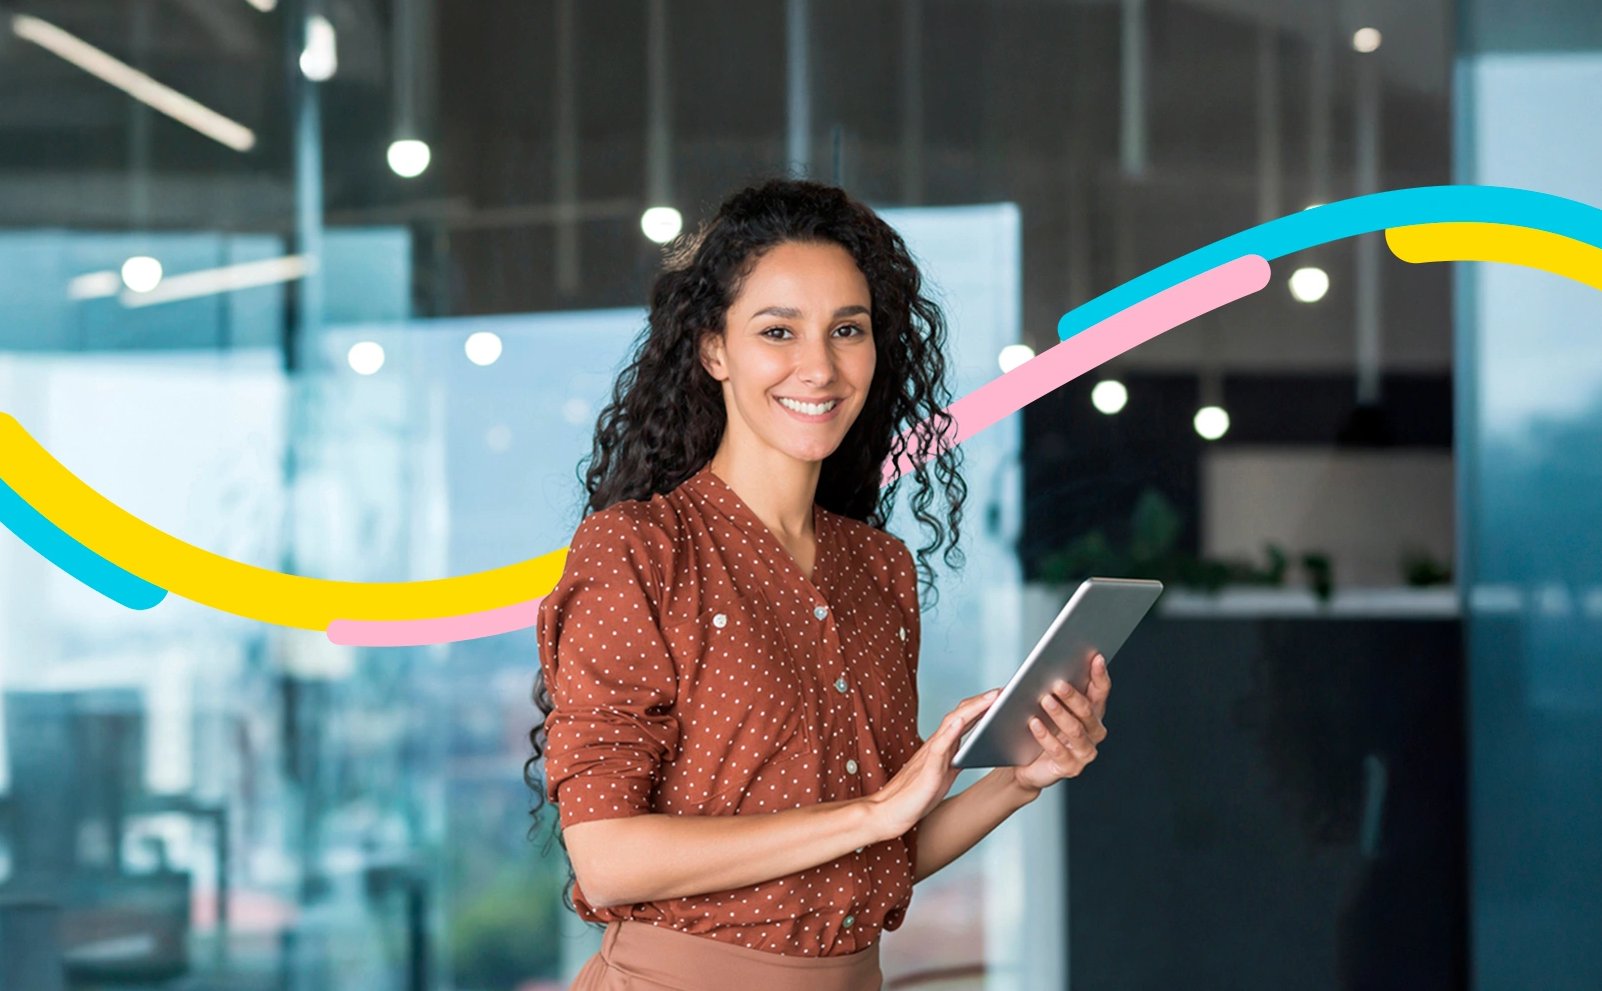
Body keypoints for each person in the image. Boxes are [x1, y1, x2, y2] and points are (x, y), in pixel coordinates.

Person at [525, 178, 1112, 991]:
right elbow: (609, 857)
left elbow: (877, 851)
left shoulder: (878, 568)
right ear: (714, 350)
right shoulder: (638, 550)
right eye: (778, 330)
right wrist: (873, 812)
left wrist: (1017, 780)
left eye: (847, 329)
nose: (820, 366)